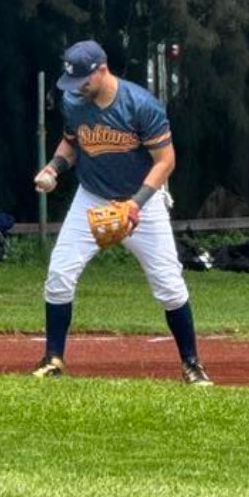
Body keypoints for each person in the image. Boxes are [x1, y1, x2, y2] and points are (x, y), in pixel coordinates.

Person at [31, 40, 211, 385]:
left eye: (83, 80)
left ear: (102, 69)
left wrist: (136, 203)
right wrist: (53, 168)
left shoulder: (140, 105)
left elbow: (166, 161)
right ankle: (53, 358)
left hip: (142, 198)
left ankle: (192, 363)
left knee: (169, 286)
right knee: (59, 276)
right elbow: (72, 142)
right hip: (92, 197)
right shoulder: (74, 102)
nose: (77, 88)